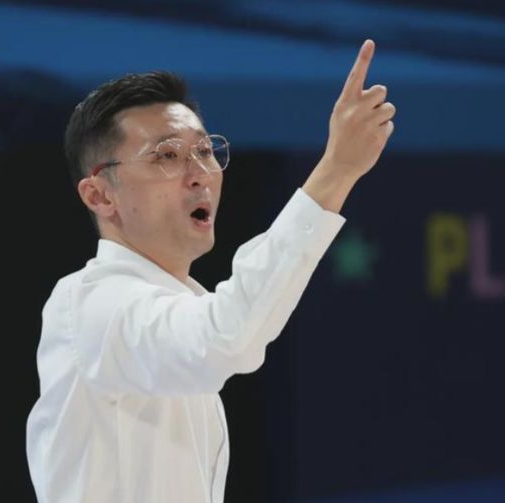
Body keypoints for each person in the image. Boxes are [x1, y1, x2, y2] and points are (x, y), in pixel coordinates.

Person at [26, 39, 395, 503]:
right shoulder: (91, 305)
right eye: (166, 155)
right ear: (99, 195)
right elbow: (228, 337)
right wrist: (335, 171)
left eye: (204, 150)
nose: (200, 172)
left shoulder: (179, 307)